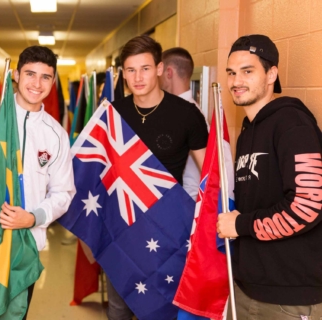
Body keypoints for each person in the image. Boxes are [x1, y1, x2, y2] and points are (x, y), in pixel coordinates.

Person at [0, 46, 75, 319]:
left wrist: (32, 218)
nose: (37, 83)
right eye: (30, 74)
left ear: (53, 81)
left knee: (13, 314)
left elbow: (63, 192)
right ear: (16, 75)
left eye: (46, 77)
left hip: (24, 246)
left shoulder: (56, 134)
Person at [217, 34, 322, 319]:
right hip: (245, 288)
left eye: (248, 71)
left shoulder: (292, 124)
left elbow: (308, 206)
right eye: (231, 73)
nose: (236, 81)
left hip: (288, 298)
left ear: (271, 74)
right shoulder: (248, 130)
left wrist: (240, 224)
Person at [108, 35, 208, 320]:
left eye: (145, 68)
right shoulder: (114, 113)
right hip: (122, 227)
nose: (137, 77)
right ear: (123, 74)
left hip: (165, 230)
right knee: (118, 309)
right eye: (130, 70)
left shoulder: (187, 114)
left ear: (161, 69)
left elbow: (208, 175)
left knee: (160, 306)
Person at [159, 47, 206, 201]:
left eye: (159, 71)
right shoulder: (170, 111)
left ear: (169, 72)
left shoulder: (191, 116)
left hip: (185, 202)